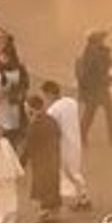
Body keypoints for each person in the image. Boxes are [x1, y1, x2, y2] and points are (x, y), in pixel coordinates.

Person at [44, 81, 90, 210]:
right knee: (74, 171)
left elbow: (52, 129)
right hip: (75, 141)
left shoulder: (53, 110)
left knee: (71, 172)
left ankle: (83, 198)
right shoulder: (71, 102)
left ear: (50, 94)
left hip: (63, 145)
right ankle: (81, 197)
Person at [75, 30, 112, 146]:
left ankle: (81, 137)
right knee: (111, 111)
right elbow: (105, 71)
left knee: (90, 113)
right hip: (99, 89)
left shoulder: (89, 51)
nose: (104, 41)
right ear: (97, 41)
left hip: (91, 89)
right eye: (102, 39)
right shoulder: (99, 54)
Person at [20, 94, 62, 223]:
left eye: (26, 107)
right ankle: (54, 209)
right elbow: (58, 135)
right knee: (52, 182)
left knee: (42, 185)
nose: (25, 110)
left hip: (41, 159)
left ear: (31, 108)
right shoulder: (51, 120)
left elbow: (28, 146)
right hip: (53, 156)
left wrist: (21, 163)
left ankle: (45, 213)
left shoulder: (34, 124)